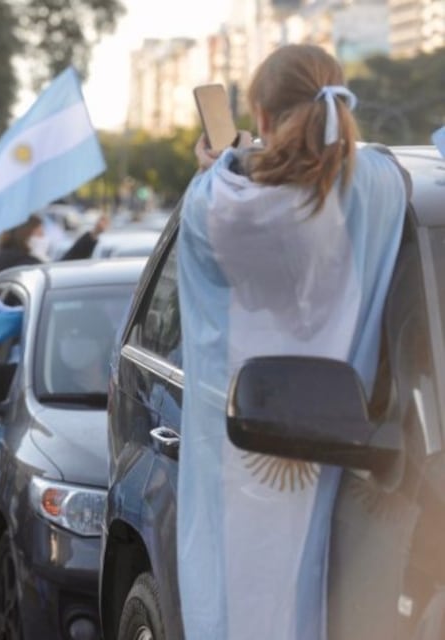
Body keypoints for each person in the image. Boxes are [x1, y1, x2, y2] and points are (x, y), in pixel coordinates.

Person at [175, 44, 409, 640]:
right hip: (351, 445)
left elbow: (231, 202)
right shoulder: (384, 186)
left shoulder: (215, 203)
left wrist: (217, 165)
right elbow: (358, 170)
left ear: (261, 114)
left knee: (240, 601)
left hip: (241, 444)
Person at [0, 211, 109, 278]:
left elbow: (61, 268)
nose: (44, 238)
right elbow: (58, 274)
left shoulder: (23, 261)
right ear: (26, 235)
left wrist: (93, 234)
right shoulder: (23, 267)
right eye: (40, 233)